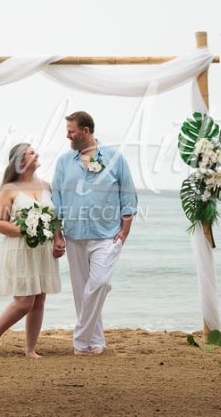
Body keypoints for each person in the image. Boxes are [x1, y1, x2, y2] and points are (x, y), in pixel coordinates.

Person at [52, 111, 138, 356]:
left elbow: (128, 195)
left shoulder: (115, 158)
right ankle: (95, 341)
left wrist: (124, 232)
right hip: (75, 234)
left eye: (71, 130)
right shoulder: (63, 162)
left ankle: (80, 340)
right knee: (82, 292)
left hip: (106, 235)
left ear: (86, 131)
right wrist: (58, 235)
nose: (67, 135)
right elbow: (56, 200)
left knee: (100, 284)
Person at [0, 143, 61, 358]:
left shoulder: (46, 186)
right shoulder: (10, 190)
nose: (38, 154)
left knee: (39, 299)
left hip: (43, 251)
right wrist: (26, 228)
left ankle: (30, 349)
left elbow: (55, 218)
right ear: (21, 161)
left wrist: (58, 239)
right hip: (20, 249)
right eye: (32, 152)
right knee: (24, 302)